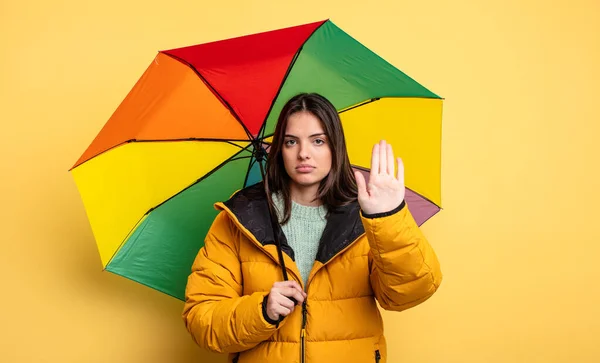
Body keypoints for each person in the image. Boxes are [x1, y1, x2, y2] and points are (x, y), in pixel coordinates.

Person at [182, 93, 442, 363]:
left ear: (335, 148)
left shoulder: (366, 217)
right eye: (291, 142)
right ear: (280, 150)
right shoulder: (237, 220)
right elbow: (202, 321)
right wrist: (262, 310)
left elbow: (410, 293)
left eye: (318, 141)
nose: (303, 153)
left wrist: (388, 217)